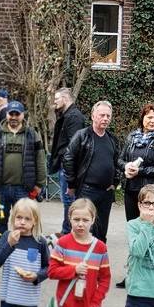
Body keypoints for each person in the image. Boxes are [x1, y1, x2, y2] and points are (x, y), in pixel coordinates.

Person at [114, 103, 154, 289]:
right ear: (142, 118)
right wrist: (126, 166)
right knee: (135, 232)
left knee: (150, 232)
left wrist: (140, 171)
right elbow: (120, 159)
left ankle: (151, 273)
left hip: (151, 196)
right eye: (149, 117)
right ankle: (132, 272)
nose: (152, 120)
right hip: (132, 191)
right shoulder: (132, 137)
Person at [0, 101, 47, 234]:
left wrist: (40, 184)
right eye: (11, 114)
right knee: (0, 221)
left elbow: (40, 159)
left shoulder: (32, 134)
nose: (13, 117)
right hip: (1, 188)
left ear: (22, 115)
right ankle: (0, 248)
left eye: (17, 114)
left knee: (24, 222)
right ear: (6, 115)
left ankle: (19, 249)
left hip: (24, 189)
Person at [63, 101, 121, 243]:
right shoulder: (82, 136)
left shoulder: (112, 139)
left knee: (101, 232)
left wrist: (115, 182)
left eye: (108, 116)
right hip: (87, 191)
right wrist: (71, 183)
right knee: (82, 229)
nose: (105, 118)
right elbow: (68, 158)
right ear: (93, 116)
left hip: (106, 193)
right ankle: (78, 260)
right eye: (102, 115)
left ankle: (98, 260)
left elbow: (117, 162)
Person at [50, 87, 87, 234]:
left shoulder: (74, 117)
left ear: (65, 99)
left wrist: (66, 162)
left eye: (57, 99)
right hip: (65, 164)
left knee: (69, 201)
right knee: (68, 201)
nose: (55, 102)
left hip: (68, 167)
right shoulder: (67, 115)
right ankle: (67, 230)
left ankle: (68, 232)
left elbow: (74, 145)